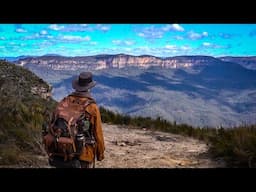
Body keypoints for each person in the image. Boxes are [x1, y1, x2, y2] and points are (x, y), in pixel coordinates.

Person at [47, 72, 105, 168]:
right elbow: (98, 133)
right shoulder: (92, 107)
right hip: (83, 153)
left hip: (61, 150)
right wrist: (100, 154)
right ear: (89, 88)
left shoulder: (63, 102)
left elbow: (53, 123)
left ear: (77, 86)